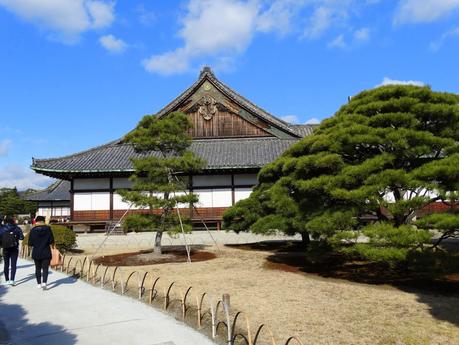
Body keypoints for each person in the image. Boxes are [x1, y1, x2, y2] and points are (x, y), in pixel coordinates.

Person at [28, 216, 54, 290]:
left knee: (37, 268)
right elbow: (51, 240)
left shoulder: (33, 230)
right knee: (45, 269)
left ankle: (39, 284)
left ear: (36, 221)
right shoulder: (48, 229)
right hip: (46, 251)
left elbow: (30, 243)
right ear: (43, 221)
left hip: (36, 252)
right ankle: (44, 283)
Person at [0, 216, 24, 286]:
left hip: (5, 248)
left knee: (6, 265)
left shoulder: (2, 229)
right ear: (12, 221)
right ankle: (12, 280)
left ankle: (7, 280)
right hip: (14, 248)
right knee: (13, 265)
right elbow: (22, 237)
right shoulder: (17, 228)